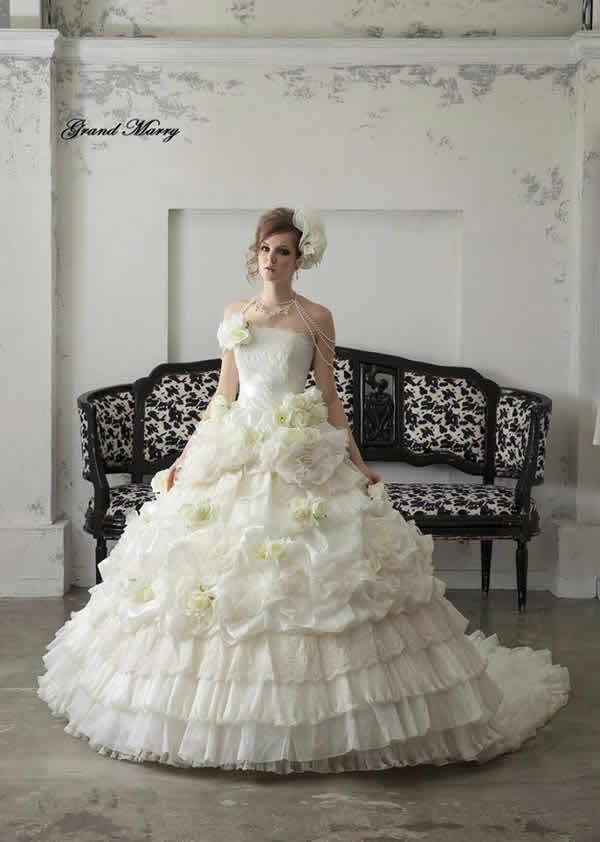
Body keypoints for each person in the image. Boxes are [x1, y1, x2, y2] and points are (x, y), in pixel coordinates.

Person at [37, 207, 571, 773]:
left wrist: (358, 463)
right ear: (256, 254)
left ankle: (321, 718)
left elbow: (330, 396)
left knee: (314, 571)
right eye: (265, 249)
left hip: (299, 450)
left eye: (283, 251)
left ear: (300, 259)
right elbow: (223, 395)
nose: (271, 260)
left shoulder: (316, 317)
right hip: (236, 448)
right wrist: (185, 459)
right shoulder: (235, 313)